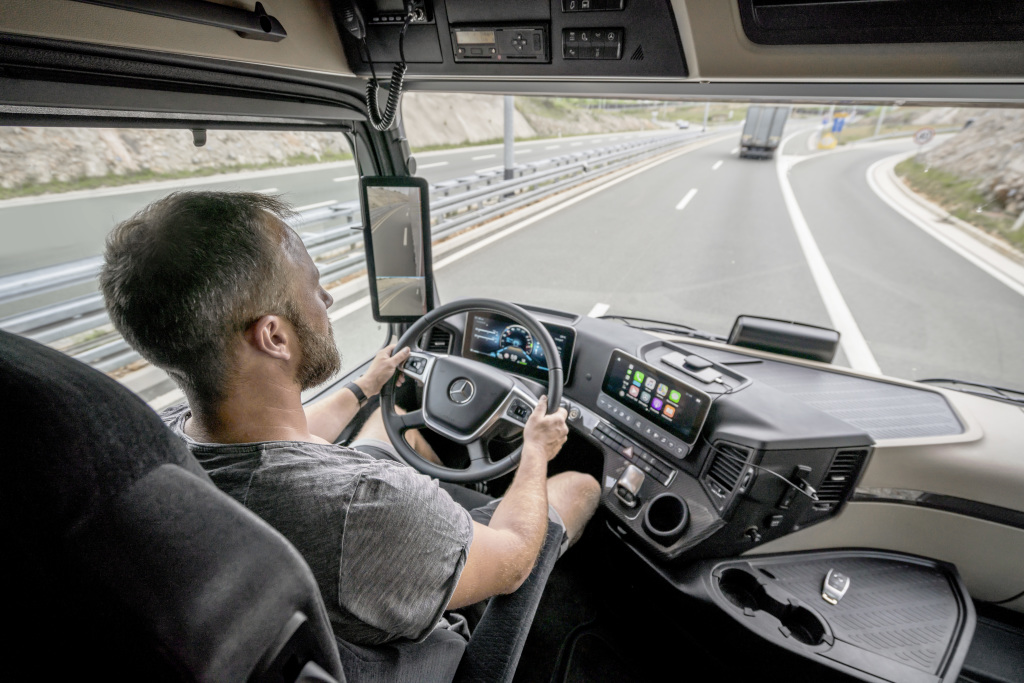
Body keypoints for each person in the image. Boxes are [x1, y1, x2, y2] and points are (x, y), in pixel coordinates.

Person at [99, 191, 601, 646]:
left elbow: (281, 444)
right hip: (423, 652)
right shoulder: (367, 506)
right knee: (578, 485)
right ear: (273, 336)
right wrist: (535, 450)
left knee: (392, 421)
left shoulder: (157, 441)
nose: (328, 299)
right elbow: (512, 559)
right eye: (315, 288)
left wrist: (363, 387)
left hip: (327, 586)